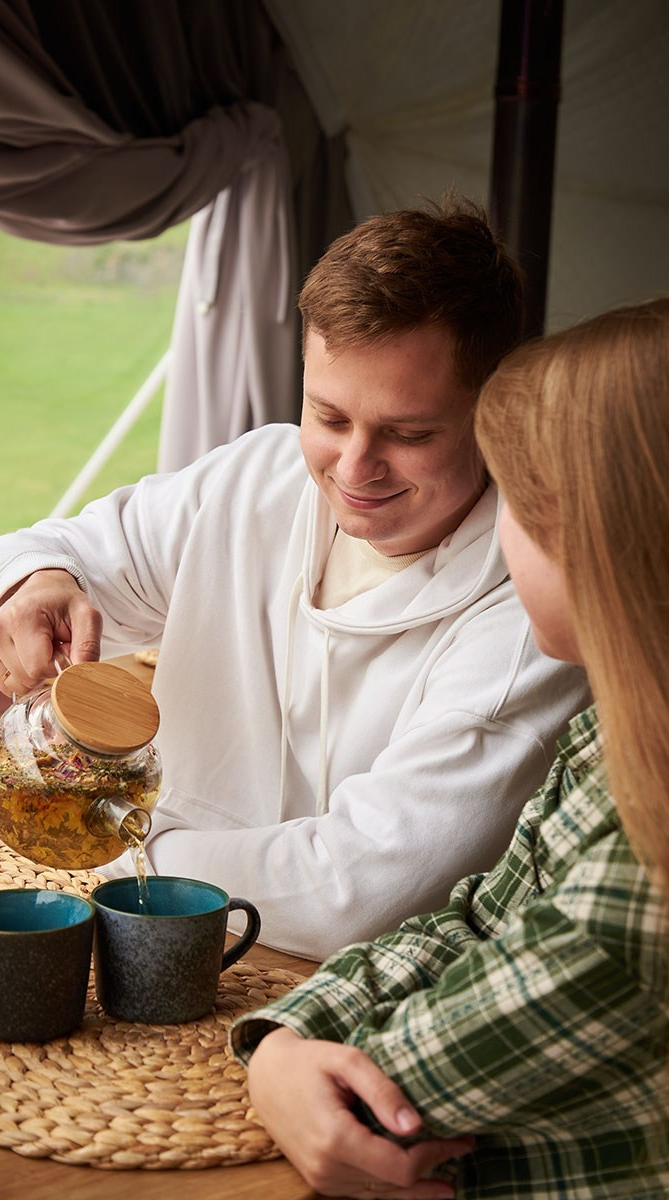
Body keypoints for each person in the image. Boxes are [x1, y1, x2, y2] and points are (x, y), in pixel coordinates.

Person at [0, 195, 588, 959]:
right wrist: (29, 584)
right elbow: (49, 547)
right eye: (328, 417)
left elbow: (354, 894)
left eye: (408, 433)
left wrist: (126, 849)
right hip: (151, 932)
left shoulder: (529, 610)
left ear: (495, 415)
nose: (354, 468)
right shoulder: (254, 479)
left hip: (348, 994)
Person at [231, 297, 669, 1199]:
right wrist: (284, 1039)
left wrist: (287, 1071)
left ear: (598, 542)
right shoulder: (607, 737)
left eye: (519, 505)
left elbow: (389, 1097)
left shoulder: (644, 879)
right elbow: (475, 923)